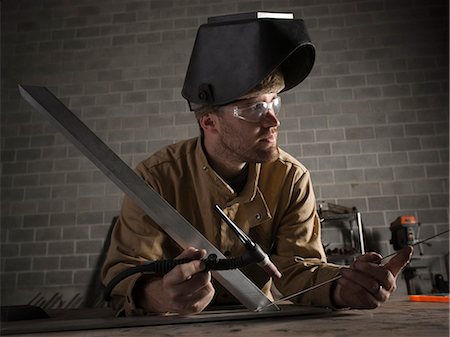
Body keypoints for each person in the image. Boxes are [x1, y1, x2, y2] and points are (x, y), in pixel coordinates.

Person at [101, 12, 412, 316]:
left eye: (274, 101)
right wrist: (161, 296)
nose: (273, 120)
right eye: (253, 109)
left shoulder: (291, 179)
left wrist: (343, 288)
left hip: (258, 323)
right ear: (210, 121)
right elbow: (124, 272)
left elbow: (298, 270)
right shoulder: (155, 179)